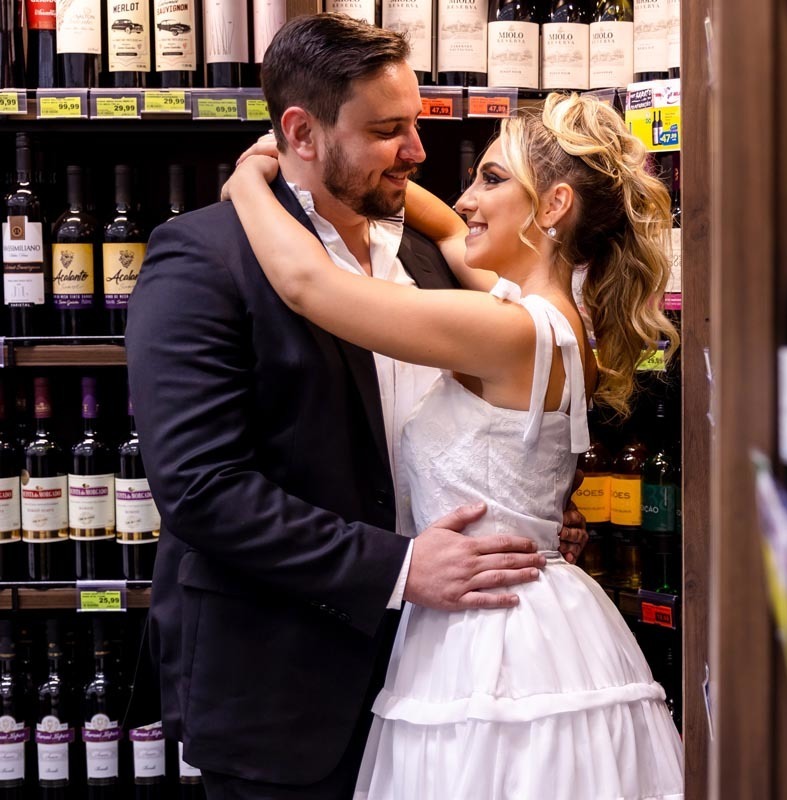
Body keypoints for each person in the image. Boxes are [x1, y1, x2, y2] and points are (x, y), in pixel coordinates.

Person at [126, 14, 586, 799]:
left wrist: (525, 510)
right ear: (301, 132)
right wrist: (400, 568)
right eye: (386, 131)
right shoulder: (202, 259)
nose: (418, 150)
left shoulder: (434, 254)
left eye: (414, 123)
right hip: (287, 690)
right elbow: (203, 489)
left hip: (450, 674)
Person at [226, 75, 685, 800]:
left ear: (554, 206)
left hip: (492, 643)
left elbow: (308, 285)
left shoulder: (508, 331)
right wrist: (366, 173)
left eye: (491, 178)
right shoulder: (556, 317)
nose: (467, 197)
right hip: (535, 617)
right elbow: (446, 228)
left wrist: (254, 180)